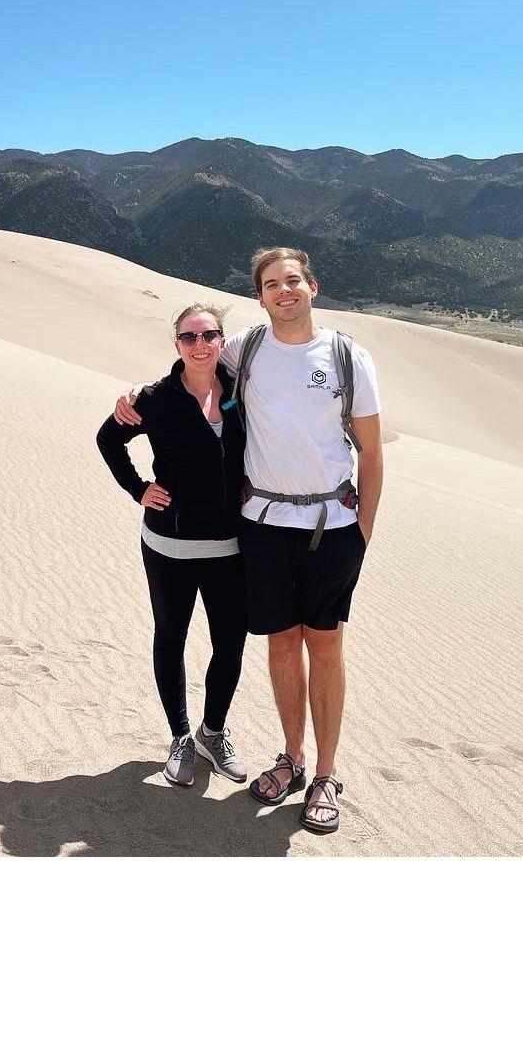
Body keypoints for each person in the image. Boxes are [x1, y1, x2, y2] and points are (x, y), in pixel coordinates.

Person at [114, 248, 385, 834]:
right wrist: (138, 395)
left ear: (312, 286)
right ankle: (292, 759)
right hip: (261, 528)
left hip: (331, 527)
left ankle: (325, 776)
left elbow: (372, 449)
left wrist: (363, 532)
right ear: (259, 297)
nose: (283, 291)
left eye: (293, 281)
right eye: (271, 284)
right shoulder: (248, 349)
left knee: (327, 646)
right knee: (282, 646)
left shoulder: (347, 356)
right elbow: (193, 364)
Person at [95, 303, 251, 789]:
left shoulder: (243, 390)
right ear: (177, 344)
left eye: (210, 335)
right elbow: (108, 439)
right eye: (190, 337)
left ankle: (213, 731)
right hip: (171, 546)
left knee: (230, 642)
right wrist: (138, 488)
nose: (201, 345)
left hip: (231, 545)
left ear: (222, 339)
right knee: (172, 637)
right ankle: (181, 736)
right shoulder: (155, 398)